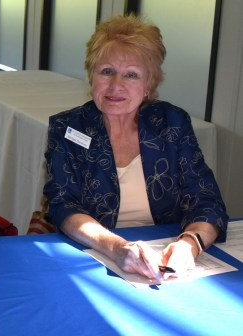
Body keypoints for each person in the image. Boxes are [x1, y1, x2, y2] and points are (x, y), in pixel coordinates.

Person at [43, 15, 228, 282]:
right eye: (106, 71)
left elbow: (207, 201)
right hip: (93, 258)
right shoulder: (68, 128)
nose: (116, 85)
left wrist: (190, 245)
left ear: (149, 85)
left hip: (163, 260)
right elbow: (63, 205)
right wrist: (118, 249)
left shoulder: (171, 124)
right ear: (91, 75)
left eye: (131, 74)